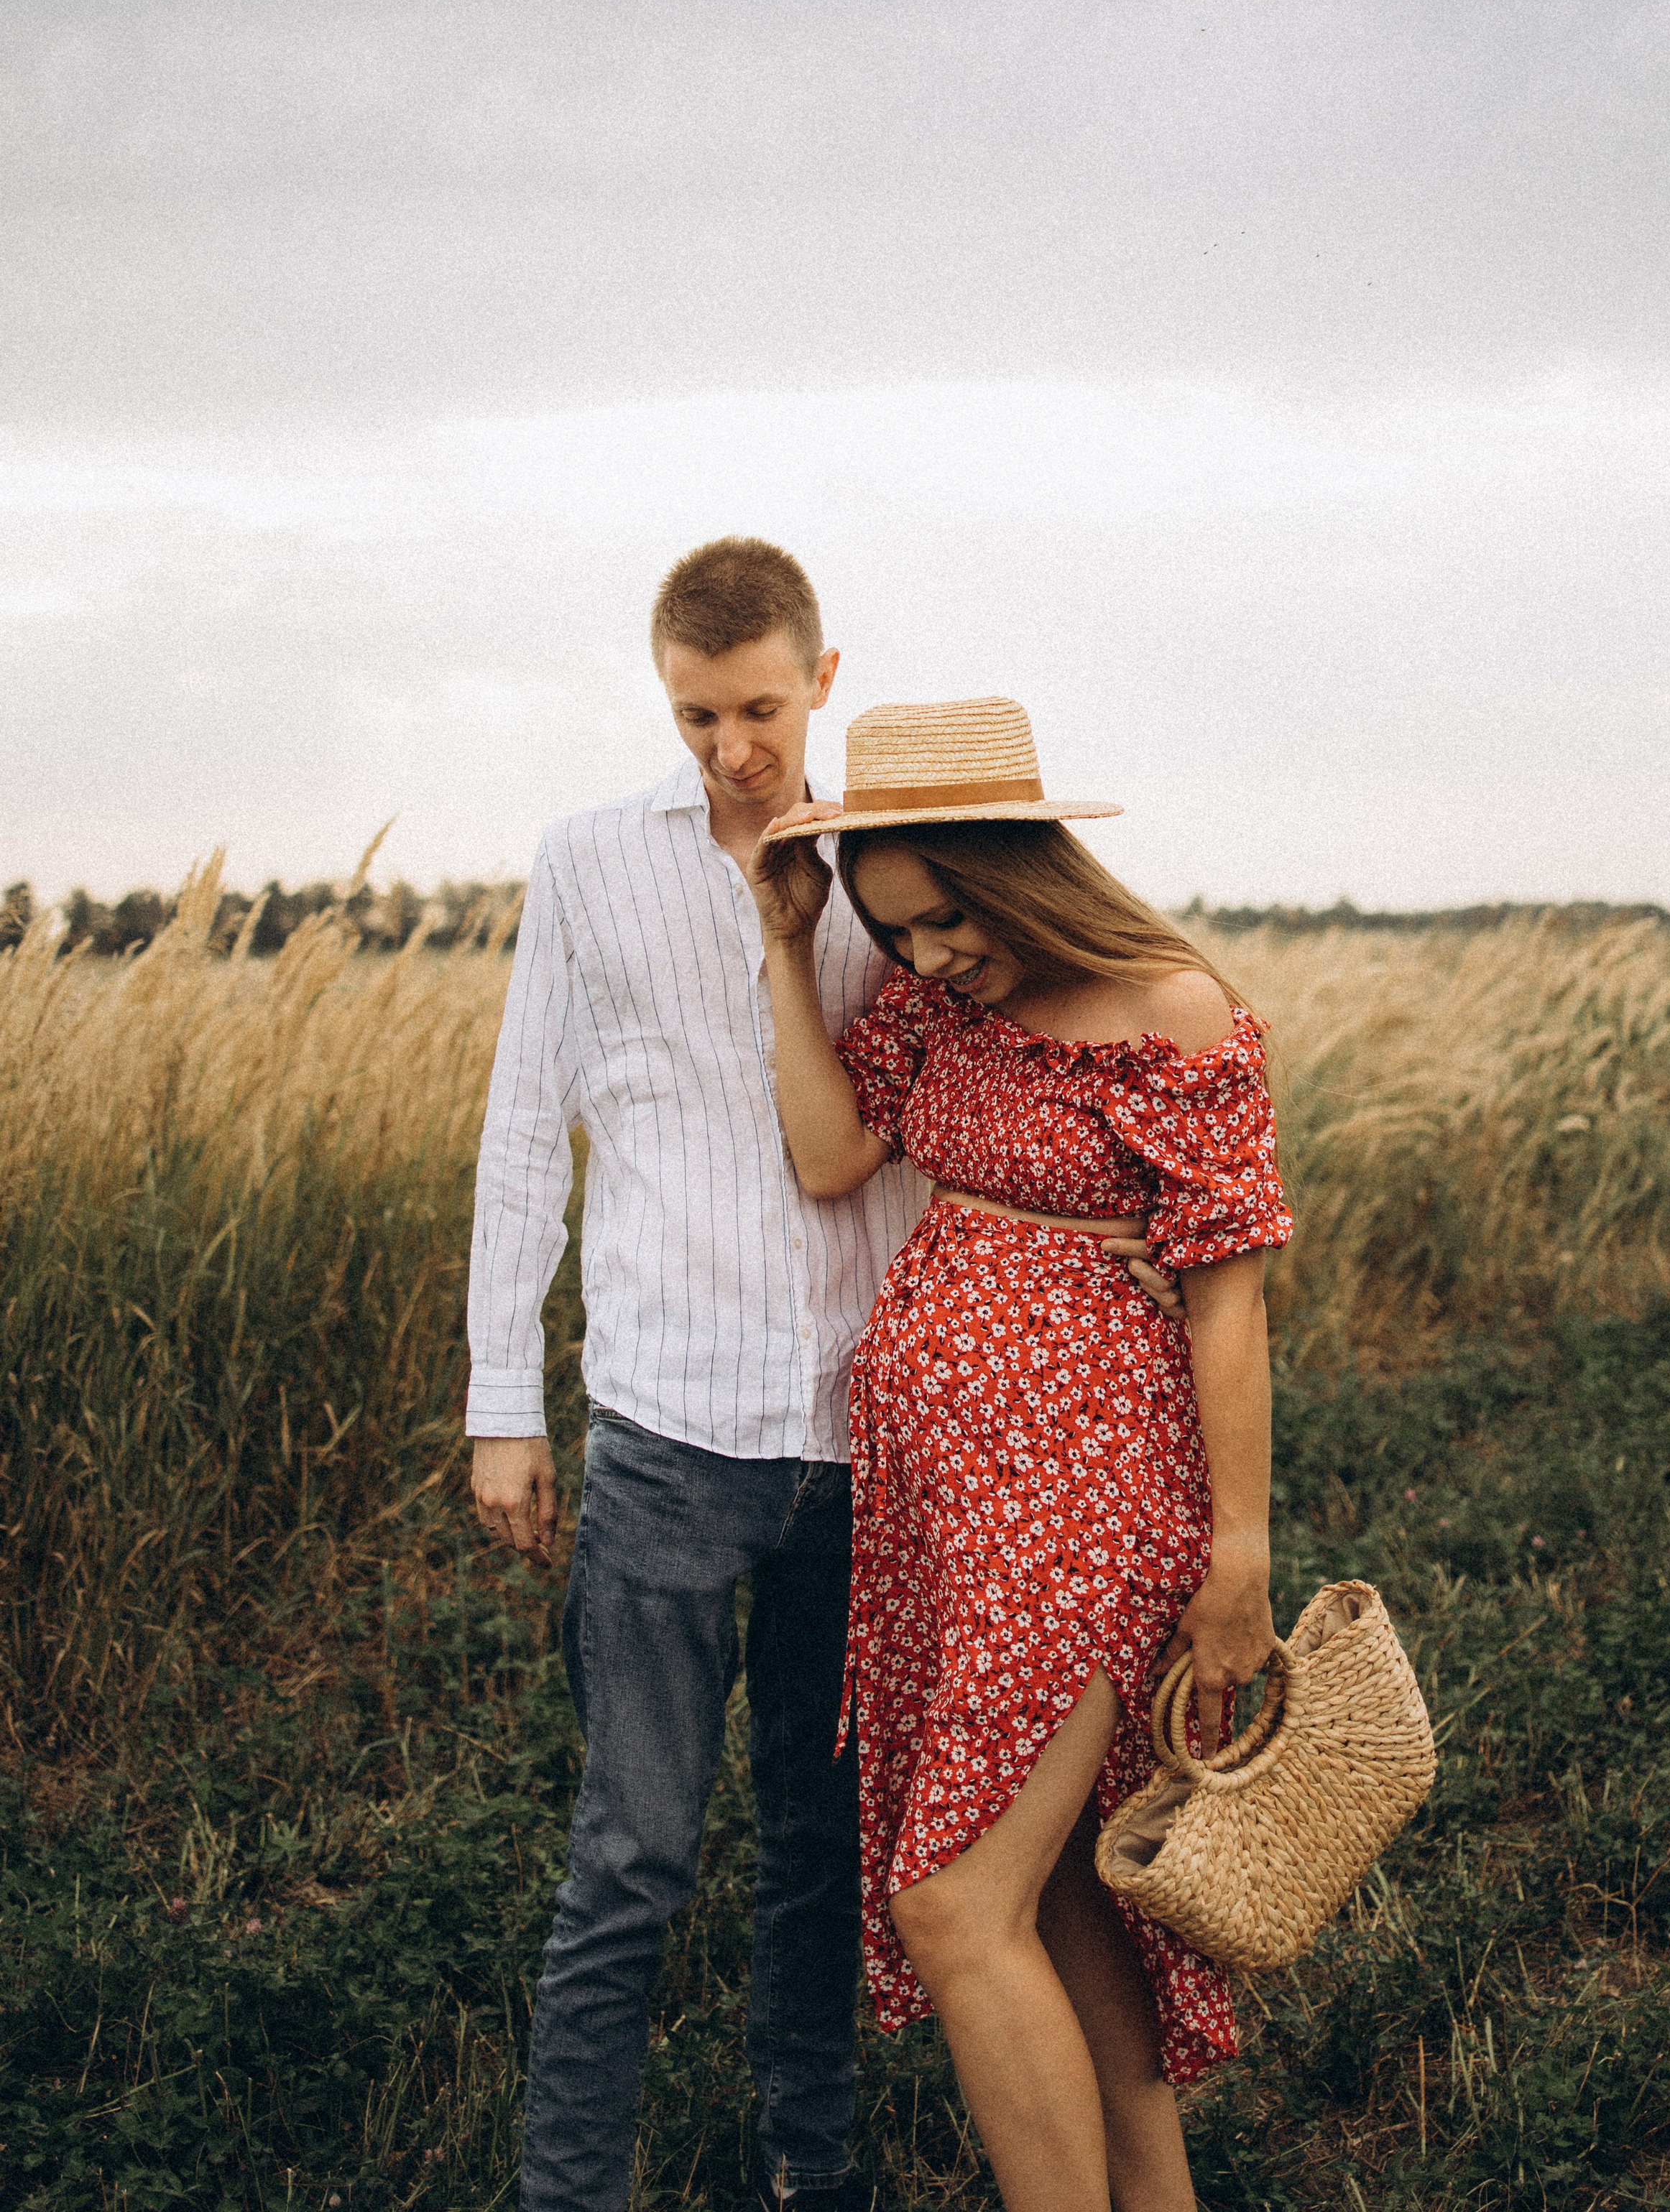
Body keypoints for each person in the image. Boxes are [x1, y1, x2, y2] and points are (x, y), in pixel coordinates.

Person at [746, 695, 1293, 2212]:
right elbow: (829, 1154)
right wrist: (791, 946)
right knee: (1058, 1904)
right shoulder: (940, 1014)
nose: (926, 955)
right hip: (954, 1519)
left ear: (1016, 870)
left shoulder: (1172, 1012)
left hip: (1088, 1510)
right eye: (894, 929)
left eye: (945, 918)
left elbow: (1229, 1303)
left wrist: (1239, 1558)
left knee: (951, 1904)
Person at [465, 537, 936, 2212]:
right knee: (631, 1854)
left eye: (757, 709)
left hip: (864, 1433)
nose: (731, 747)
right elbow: (527, 1134)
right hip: (667, 1432)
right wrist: (503, 1404)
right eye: (693, 716)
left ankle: (810, 2163)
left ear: (821, 680)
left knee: (821, 1847)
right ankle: (569, 2192)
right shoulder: (590, 861)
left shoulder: (895, 870)